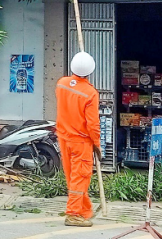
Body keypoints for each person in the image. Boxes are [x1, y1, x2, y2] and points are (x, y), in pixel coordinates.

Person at [55, 51, 102, 227]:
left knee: (72, 177)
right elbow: (93, 124)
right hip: (80, 141)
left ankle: (83, 210)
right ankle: (73, 214)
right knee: (79, 178)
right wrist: (97, 144)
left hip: (63, 137)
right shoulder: (90, 93)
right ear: (91, 70)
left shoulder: (61, 84)